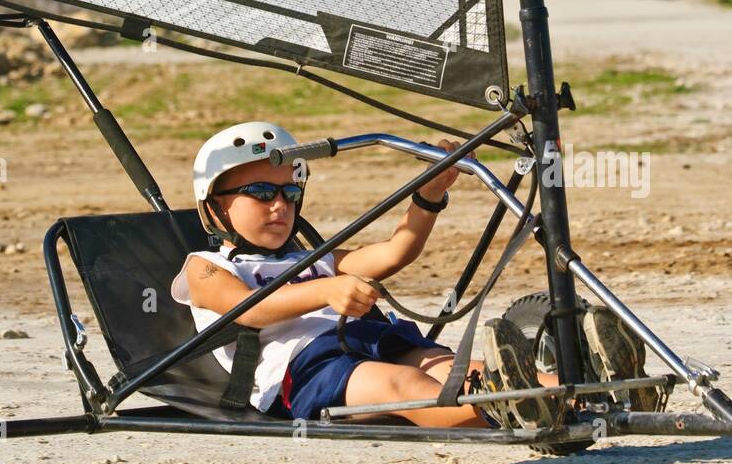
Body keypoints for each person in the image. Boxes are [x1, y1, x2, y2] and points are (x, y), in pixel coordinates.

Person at [170, 122, 659, 427]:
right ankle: (510, 411)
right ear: (212, 206)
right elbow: (249, 309)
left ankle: (595, 393)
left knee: (455, 369)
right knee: (405, 388)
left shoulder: (314, 256)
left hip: (367, 336)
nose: (279, 205)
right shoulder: (205, 267)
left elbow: (396, 251)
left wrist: (429, 195)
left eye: (289, 194)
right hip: (302, 372)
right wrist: (329, 288)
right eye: (259, 192)